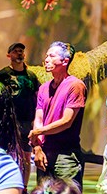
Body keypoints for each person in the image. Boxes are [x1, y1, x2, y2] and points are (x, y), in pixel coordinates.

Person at [29, 42, 86, 183]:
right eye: (46, 56)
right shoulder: (43, 88)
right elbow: (39, 119)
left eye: (52, 56)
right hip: (44, 153)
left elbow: (67, 122)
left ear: (65, 61)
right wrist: (37, 148)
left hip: (66, 155)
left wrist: (37, 132)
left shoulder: (75, 85)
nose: (46, 59)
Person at [0, 42, 41, 136]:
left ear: (24, 54)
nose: (19, 53)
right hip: (8, 121)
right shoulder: (1, 75)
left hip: (28, 122)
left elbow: (38, 95)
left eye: (21, 51)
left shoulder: (31, 76)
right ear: (8, 55)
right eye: (15, 51)